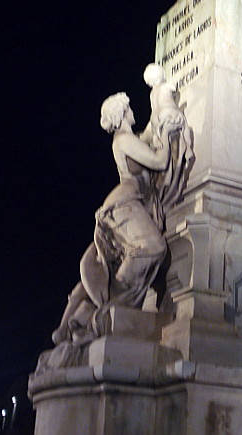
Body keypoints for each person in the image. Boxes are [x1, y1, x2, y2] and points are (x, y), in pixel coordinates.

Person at [51, 92, 184, 346]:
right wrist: (167, 137)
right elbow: (160, 160)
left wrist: (161, 106)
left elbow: (147, 135)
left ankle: (77, 323)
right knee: (152, 248)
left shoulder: (130, 139)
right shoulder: (123, 140)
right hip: (124, 205)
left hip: (126, 205)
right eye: (129, 108)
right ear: (122, 114)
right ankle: (107, 314)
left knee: (107, 266)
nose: (133, 110)